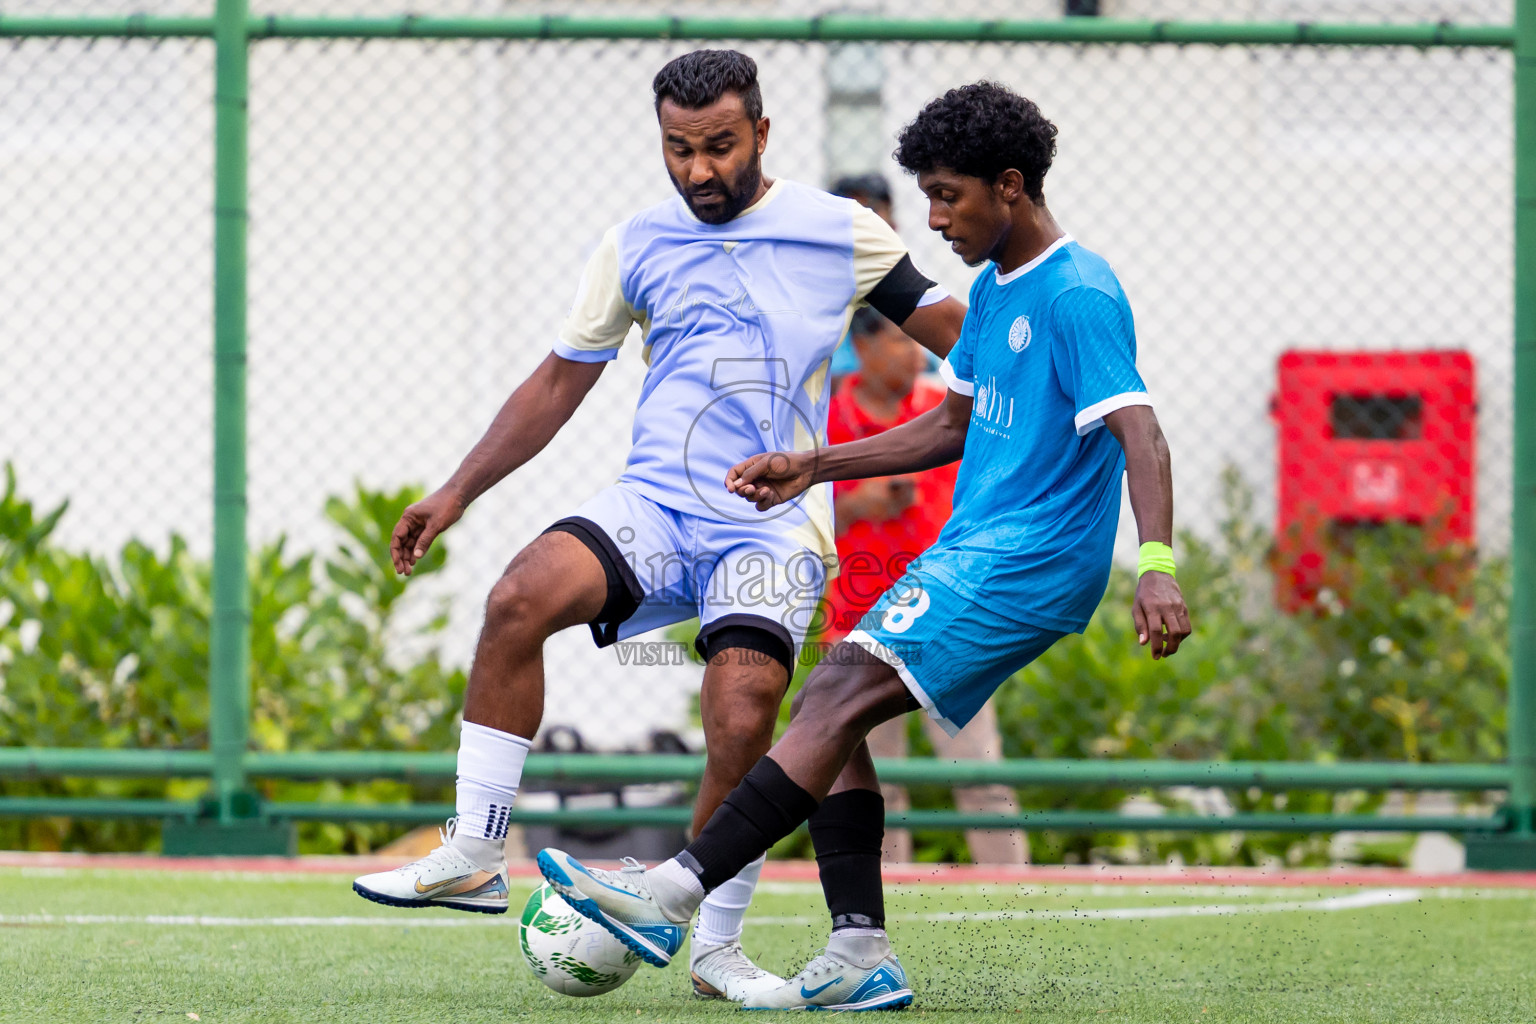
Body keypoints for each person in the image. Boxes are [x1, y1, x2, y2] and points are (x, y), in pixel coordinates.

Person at [535, 81, 1193, 1012]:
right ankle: (860, 949)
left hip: (1030, 557)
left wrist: (1158, 567)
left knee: (839, 693)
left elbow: (1144, 433)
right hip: (977, 547)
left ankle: (669, 895)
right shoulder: (999, 286)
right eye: (924, 194)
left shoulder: (1078, 292)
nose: (932, 218)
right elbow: (947, 427)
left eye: (947, 196)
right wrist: (815, 464)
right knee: (831, 704)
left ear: (1010, 186)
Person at [350, 49, 965, 1005]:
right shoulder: (635, 241)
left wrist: (1039, 371)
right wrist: (456, 490)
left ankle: (714, 948)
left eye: (719, 146)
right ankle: (475, 850)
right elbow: (559, 381)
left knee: (743, 711)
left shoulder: (840, 232)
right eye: (678, 150)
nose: (699, 170)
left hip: (769, 528)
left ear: (761, 133)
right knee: (517, 597)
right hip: (657, 507)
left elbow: (956, 335)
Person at [824, 307, 1027, 866]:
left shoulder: (948, 412)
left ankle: (1012, 890)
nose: (915, 353)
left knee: (978, 766)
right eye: (897, 340)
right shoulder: (830, 424)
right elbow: (796, 516)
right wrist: (854, 506)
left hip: (947, 616)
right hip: (862, 620)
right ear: (861, 350)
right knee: (881, 779)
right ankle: (886, 896)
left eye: (916, 341)